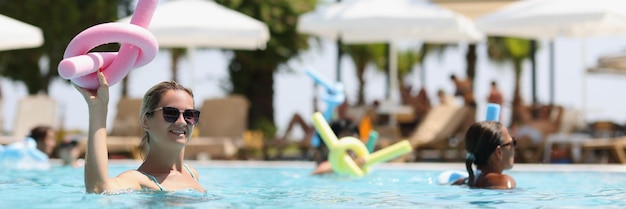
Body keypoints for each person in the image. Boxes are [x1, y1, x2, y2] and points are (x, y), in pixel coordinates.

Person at [75, 71, 205, 193]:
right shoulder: (138, 180)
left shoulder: (192, 173)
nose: (182, 121)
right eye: (170, 113)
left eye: (190, 115)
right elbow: (99, 188)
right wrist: (98, 107)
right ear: (146, 122)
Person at [452, 121, 517, 189]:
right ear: (499, 152)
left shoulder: (460, 183)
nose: (514, 149)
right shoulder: (504, 182)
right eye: (513, 143)